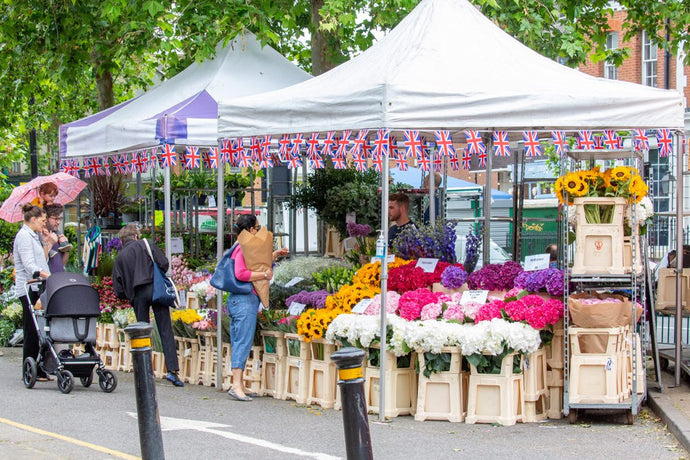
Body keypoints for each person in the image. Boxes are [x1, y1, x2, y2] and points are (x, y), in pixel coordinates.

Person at [111, 224, 184, 387]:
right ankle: (172, 371)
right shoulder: (146, 244)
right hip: (156, 288)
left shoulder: (120, 257)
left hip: (137, 295)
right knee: (165, 329)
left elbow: (118, 289)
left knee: (142, 333)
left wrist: (130, 295)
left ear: (122, 241)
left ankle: (145, 370)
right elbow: (164, 263)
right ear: (136, 236)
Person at [227, 214, 288, 401]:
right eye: (257, 227)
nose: (259, 230)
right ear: (251, 230)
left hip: (243, 300)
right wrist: (264, 275)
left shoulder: (244, 247)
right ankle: (236, 384)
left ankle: (240, 383)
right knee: (242, 342)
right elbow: (241, 273)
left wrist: (274, 256)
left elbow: (252, 262)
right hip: (243, 300)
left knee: (241, 340)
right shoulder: (241, 247)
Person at [13, 204, 51, 380]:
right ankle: (30, 368)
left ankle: (39, 367)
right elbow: (29, 264)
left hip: (38, 285)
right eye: (42, 221)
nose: (44, 224)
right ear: (33, 219)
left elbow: (39, 259)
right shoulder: (24, 237)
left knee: (39, 327)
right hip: (29, 287)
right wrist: (46, 275)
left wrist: (45, 242)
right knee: (31, 328)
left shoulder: (33, 236)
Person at [31, 182, 72, 253]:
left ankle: (63, 243)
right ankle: (50, 252)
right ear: (42, 194)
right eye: (51, 196)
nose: (53, 198)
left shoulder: (50, 203)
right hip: (42, 227)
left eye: (54, 196)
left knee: (58, 232)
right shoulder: (37, 202)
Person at [43, 204, 71, 273]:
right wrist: (50, 243)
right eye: (55, 219)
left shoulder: (57, 234)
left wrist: (66, 249)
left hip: (59, 279)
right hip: (47, 280)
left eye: (60, 219)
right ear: (46, 218)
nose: (58, 222)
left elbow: (62, 264)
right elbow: (40, 262)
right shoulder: (39, 236)